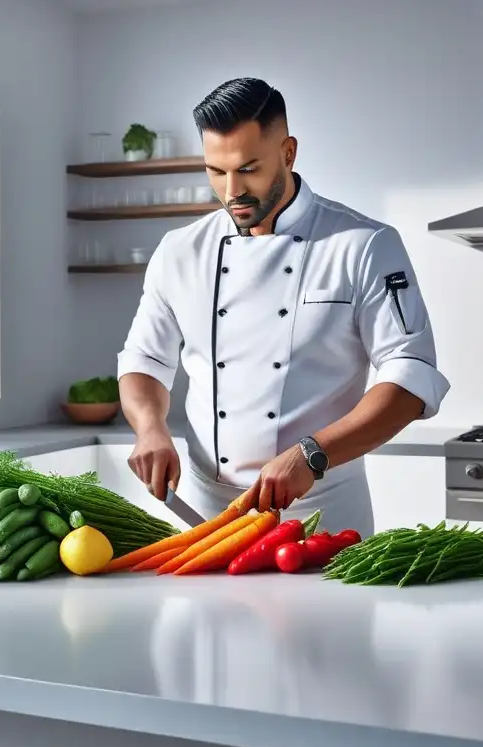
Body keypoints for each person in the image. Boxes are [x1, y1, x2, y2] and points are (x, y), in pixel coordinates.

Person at [116, 77, 450, 535]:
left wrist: (314, 452)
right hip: (204, 518)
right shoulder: (179, 251)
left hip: (320, 518)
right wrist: (150, 426)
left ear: (288, 153)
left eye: (248, 168)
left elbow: (411, 376)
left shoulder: (363, 245)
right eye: (215, 171)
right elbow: (143, 360)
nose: (231, 190)